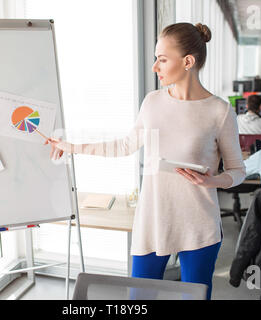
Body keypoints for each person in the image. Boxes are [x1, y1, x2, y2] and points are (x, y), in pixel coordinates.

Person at [46, 22, 245, 300]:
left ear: (188, 61)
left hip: (199, 224)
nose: (155, 67)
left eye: (162, 59)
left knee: (195, 298)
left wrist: (214, 180)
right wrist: (72, 146)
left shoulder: (219, 111)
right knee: (139, 299)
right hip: (153, 219)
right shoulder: (152, 102)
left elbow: (238, 171)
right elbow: (125, 145)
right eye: (155, 58)